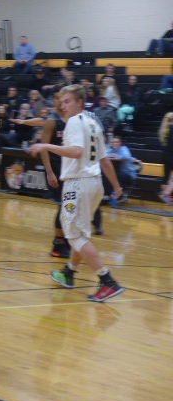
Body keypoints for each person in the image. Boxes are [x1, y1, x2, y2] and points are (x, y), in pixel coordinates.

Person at [28, 85, 124, 302]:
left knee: (74, 235)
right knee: (80, 234)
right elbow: (104, 159)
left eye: (68, 101)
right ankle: (70, 272)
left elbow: (76, 151)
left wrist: (46, 145)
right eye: (61, 102)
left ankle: (108, 281)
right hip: (95, 183)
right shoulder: (93, 122)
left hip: (78, 184)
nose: (63, 106)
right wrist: (116, 186)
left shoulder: (73, 122)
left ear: (80, 102)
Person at [159, 112, 173, 201]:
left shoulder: (164, 130)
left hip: (165, 155)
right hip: (171, 154)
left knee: (166, 176)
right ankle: (166, 194)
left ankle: (165, 193)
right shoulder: (172, 129)